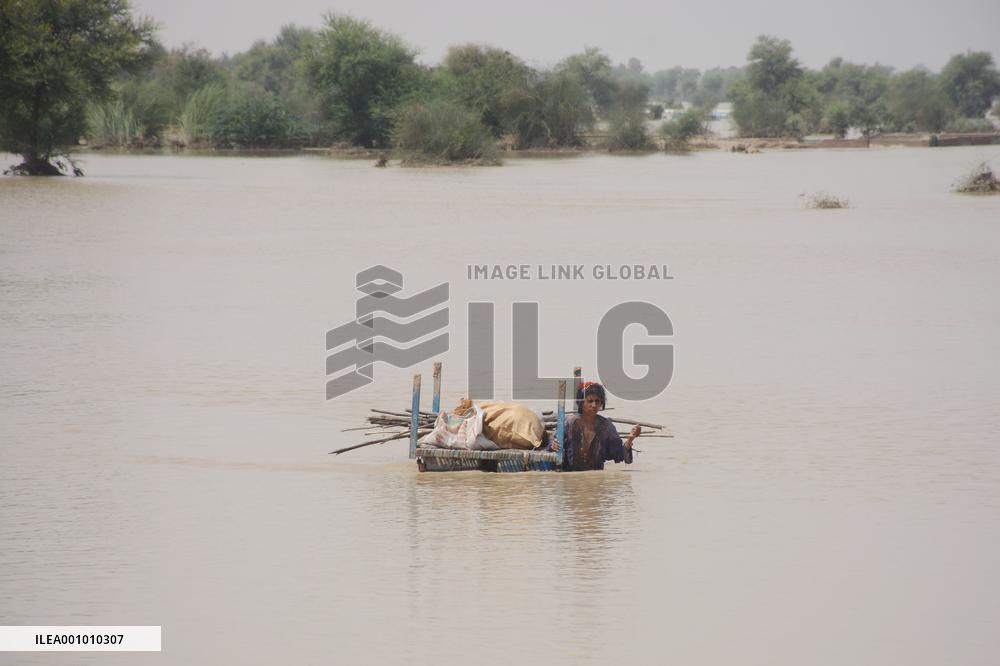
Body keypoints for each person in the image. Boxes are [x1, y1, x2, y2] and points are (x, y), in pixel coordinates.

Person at [558, 382, 641, 471]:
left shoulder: (606, 427)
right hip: (571, 476)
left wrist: (630, 439)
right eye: (590, 401)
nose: (594, 405)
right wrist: (554, 445)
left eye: (597, 401)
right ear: (581, 403)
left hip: (596, 479)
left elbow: (620, 455)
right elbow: (551, 447)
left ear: (601, 403)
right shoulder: (569, 423)